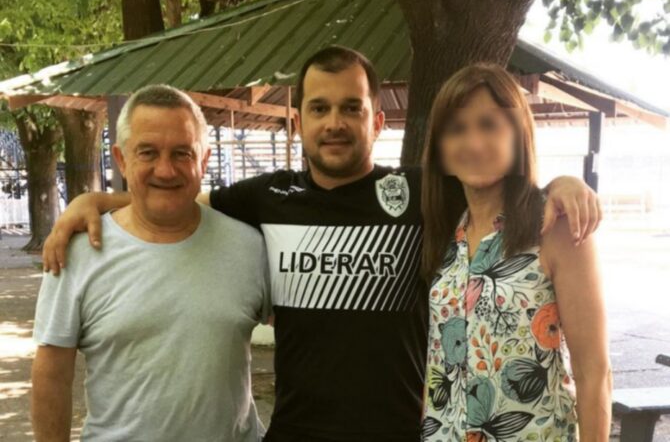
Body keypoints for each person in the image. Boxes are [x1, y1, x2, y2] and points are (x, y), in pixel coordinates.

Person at [41, 47, 602, 442]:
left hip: (404, 433)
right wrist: (93, 201)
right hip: (296, 433)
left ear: (376, 121)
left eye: (351, 108)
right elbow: (174, 193)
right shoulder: (266, 198)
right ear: (299, 121)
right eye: (319, 108)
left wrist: (561, 185)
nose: (335, 122)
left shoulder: (423, 194)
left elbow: (498, 181)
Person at [31, 85, 271, 442]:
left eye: (182, 153)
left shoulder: (250, 247)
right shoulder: (78, 253)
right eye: (148, 152)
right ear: (121, 159)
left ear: (204, 159)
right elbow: (52, 373)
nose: (166, 170)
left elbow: (306, 342)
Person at [420, 63, 611, 441]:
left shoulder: (554, 227)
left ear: (517, 133)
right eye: (457, 128)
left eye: (489, 125)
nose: (474, 143)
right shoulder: (445, 233)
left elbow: (595, 373)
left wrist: (564, 183)